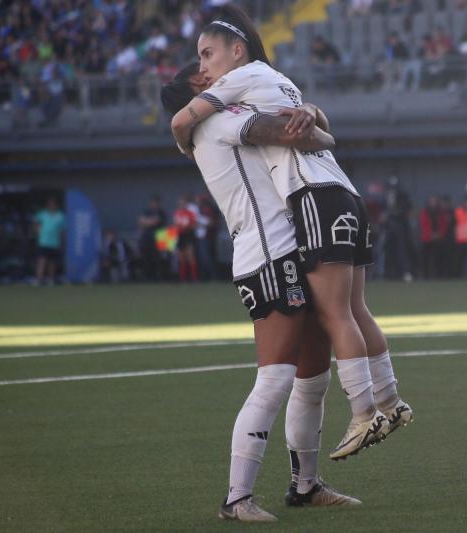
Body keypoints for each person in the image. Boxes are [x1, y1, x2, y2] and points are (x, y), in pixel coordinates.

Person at [171, 3, 411, 469]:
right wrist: (317, 120)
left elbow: (183, 121)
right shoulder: (281, 81)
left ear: (234, 51)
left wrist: (185, 139)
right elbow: (320, 135)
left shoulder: (231, 91)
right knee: (356, 309)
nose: (204, 71)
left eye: (207, 56)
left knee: (330, 316)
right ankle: (390, 402)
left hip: (310, 199)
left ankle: (364, 414)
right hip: (347, 192)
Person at [162, 60, 359, 523]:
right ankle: (236, 498)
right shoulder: (219, 120)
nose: (218, 76)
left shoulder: (207, 127)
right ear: (195, 90)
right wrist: (314, 119)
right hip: (269, 254)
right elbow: (296, 134)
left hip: (285, 248)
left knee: (313, 376)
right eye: (206, 72)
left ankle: (305, 486)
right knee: (275, 377)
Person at [33, 197, 65, 285]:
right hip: (43, 242)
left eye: (53, 204)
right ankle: (38, 279)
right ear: (47, 205)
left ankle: (50, 279)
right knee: (41, 261)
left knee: (52, 262)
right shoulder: (42, 214)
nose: (52, 206)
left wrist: (62, 242)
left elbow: (62, 231)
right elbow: (35, 222)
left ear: (56, 205)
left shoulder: (60, 216)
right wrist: (37, 231)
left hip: (54, 243)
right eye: (50, 204)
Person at [137, 195, 167, 281]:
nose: (154, 204)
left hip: (159, 239)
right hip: (146, 238)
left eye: (155, 202)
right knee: (146, 258)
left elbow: (155, 221)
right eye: (152, 202)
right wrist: (149, 221)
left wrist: (146, 222)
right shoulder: (146, 211)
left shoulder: (161, 212)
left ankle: (159, 277)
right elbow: (140, 222)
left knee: (157, 258)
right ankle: (147, 277)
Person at [173, 196, 199, 282]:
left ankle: (194, 278)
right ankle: (183, 278)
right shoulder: (177, 213)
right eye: (180, 204)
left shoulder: (190, 213)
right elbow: (176, 225)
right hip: (180, 237)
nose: (182, 205)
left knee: (191, 257)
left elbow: (194, 225)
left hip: (188, 236)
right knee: (181, 258)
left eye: (183, 203)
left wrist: (187, 227)